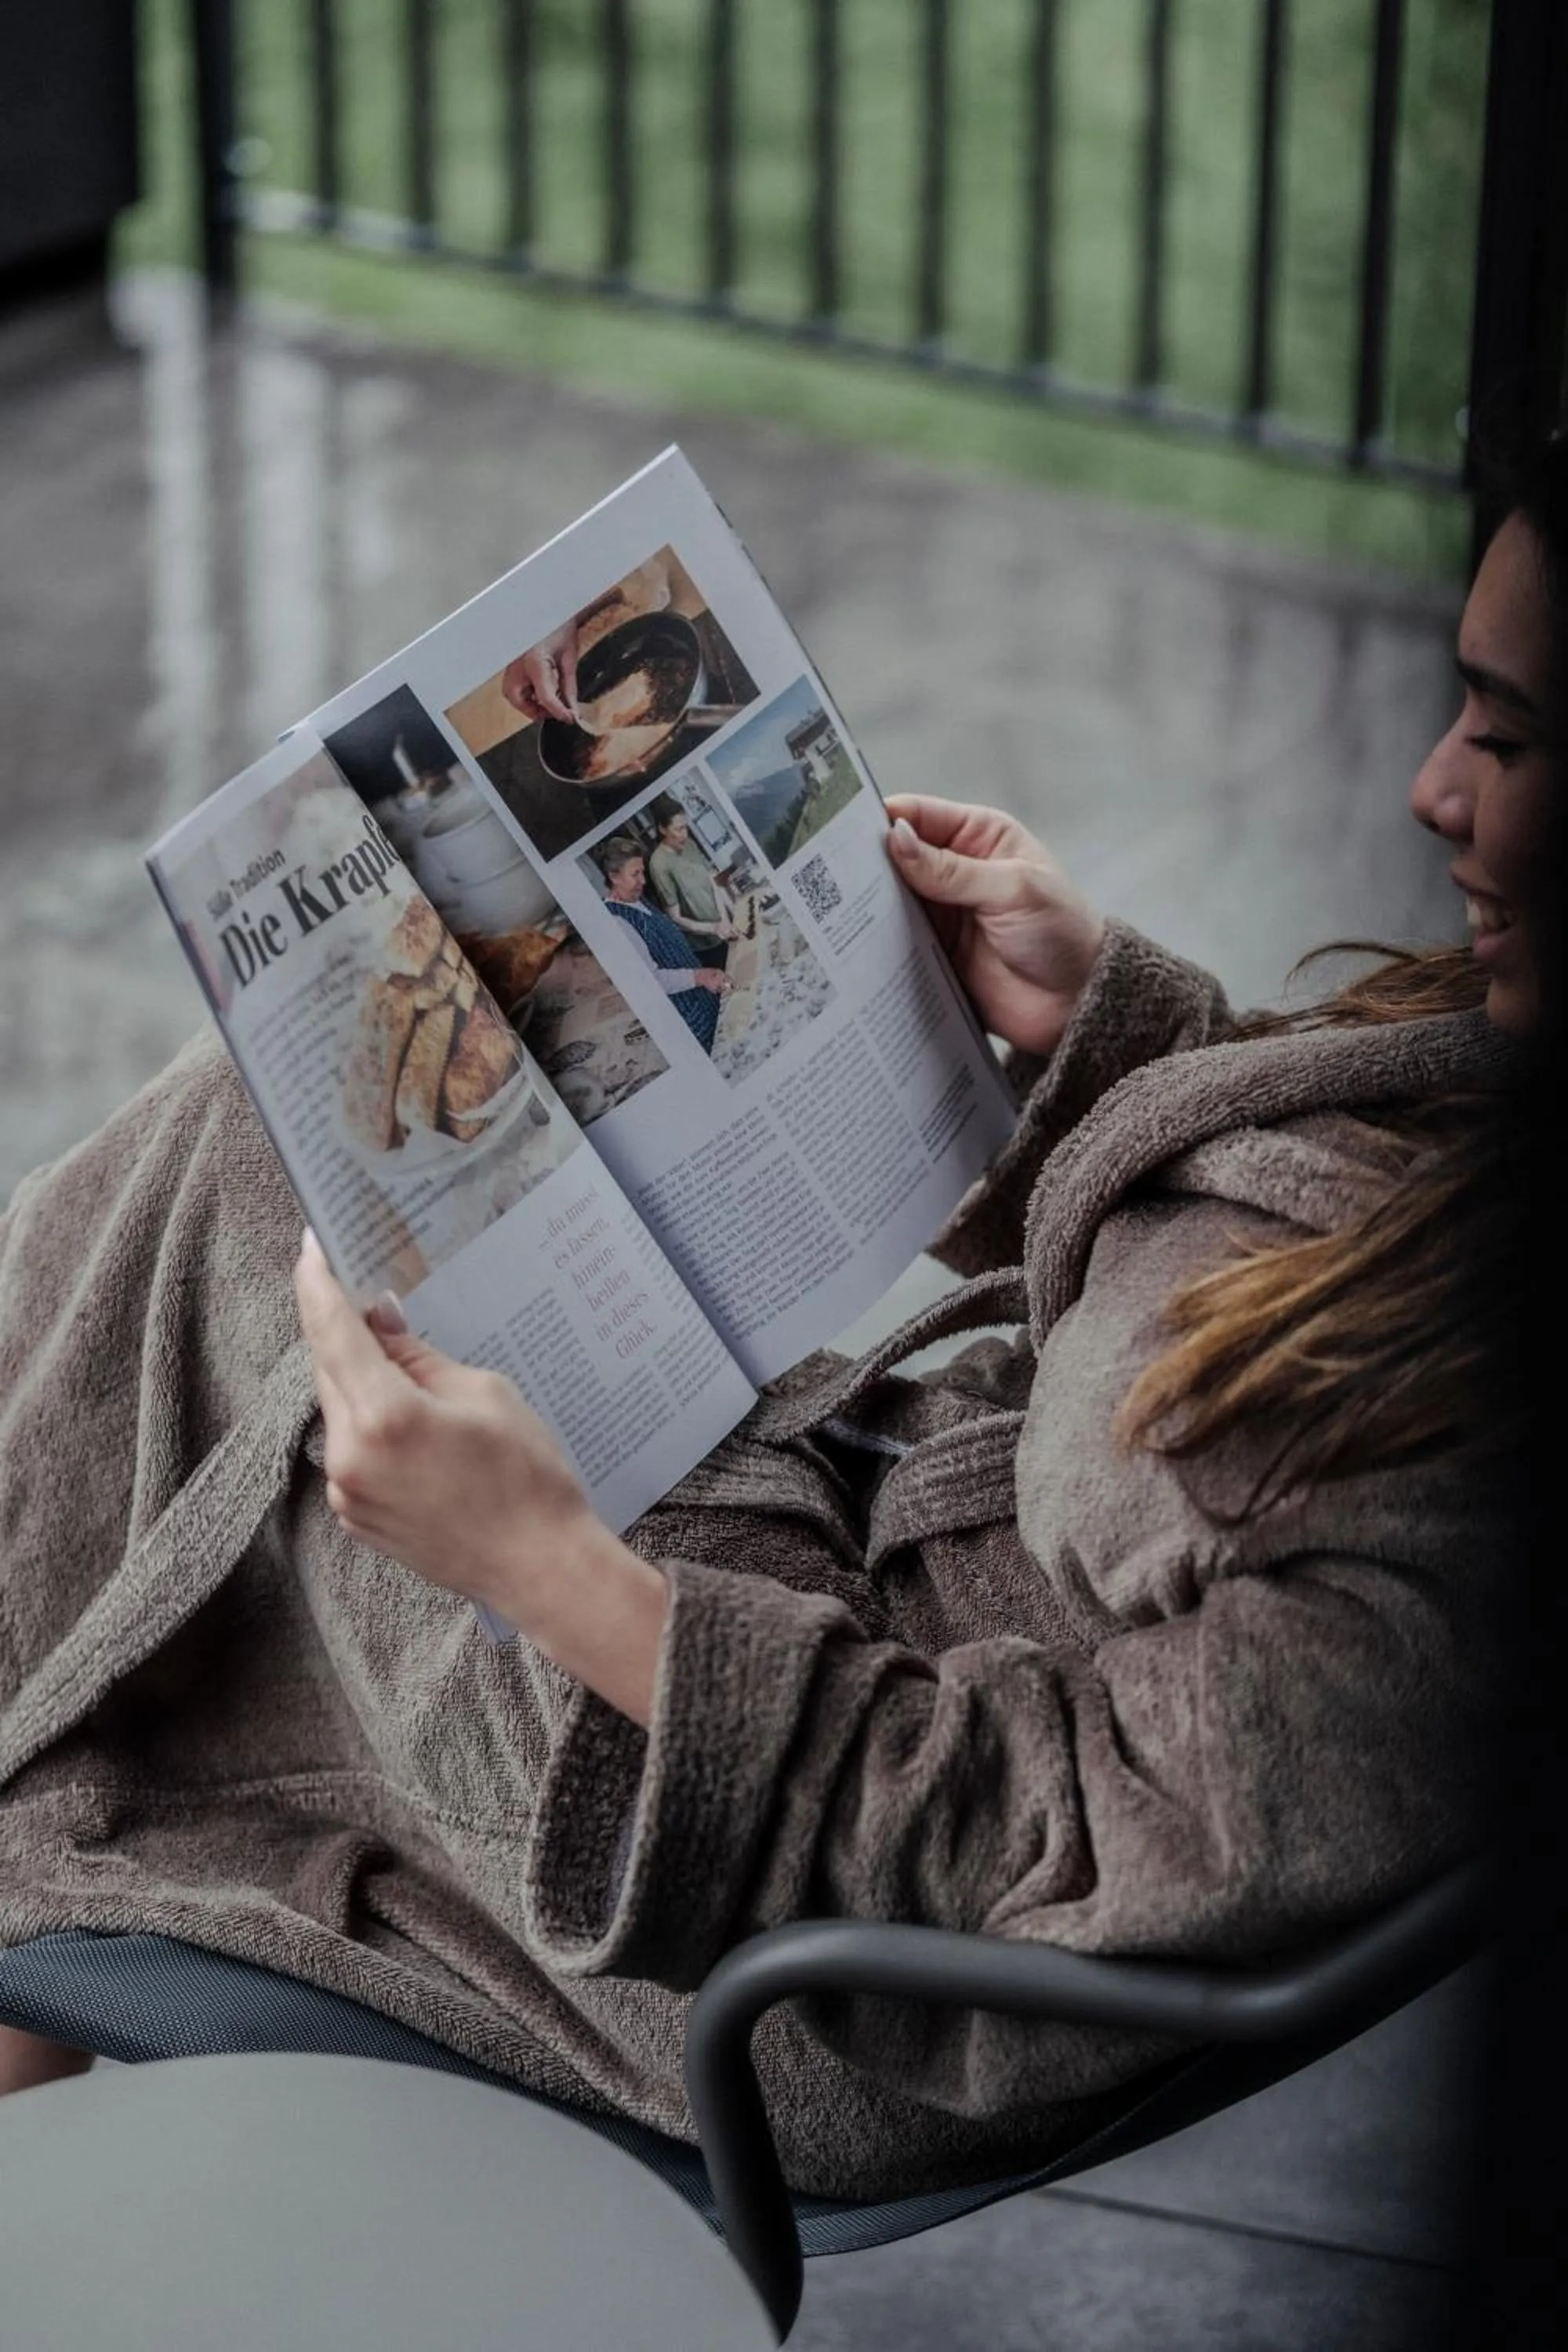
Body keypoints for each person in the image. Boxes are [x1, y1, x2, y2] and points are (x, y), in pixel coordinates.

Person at [0, 441, 1556, 2209]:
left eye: (1508, 737)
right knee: (303, 1143)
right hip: (810, 1594)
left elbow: (1018, 1856)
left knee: (267, 1182)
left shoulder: (1473, 1494)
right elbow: (1304, 1255)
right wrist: (1113, 1033)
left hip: (760, 1896)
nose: (1434, 787)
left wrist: (545, 1571)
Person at [593, 833, 731, 1051]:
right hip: (690, 1018)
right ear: (614, 876)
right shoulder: (616, 922)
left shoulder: (639, 900)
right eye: (635, 874)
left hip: (705, 998)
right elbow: (652, 980)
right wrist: (701, 975)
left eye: (643, 872)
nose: (643, 881)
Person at [644, 796, 739, 970]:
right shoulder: (659, 864)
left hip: (726, 928)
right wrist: (714, 928)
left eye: (685, 827)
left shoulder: (690, 845)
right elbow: (676, 918)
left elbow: (713, 882)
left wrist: (729, 916)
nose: (684, 834)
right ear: (663, 829)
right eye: (678, 829)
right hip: (708, 947)